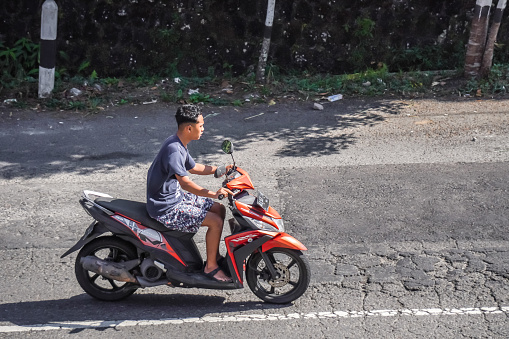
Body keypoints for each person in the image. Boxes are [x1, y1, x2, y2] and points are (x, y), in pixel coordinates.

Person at [146, 104, 233, 282]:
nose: (203, 129)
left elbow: (193, 168)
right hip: (166, 208)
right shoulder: (173, 150)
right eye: (201, 125)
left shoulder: (178, 142)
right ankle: (211, 267)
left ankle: (213, 256)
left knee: (219, 209)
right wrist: (214, 193)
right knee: (215, 221)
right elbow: (186, 183)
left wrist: (220, 169)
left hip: (175, 197)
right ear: (189, 128)